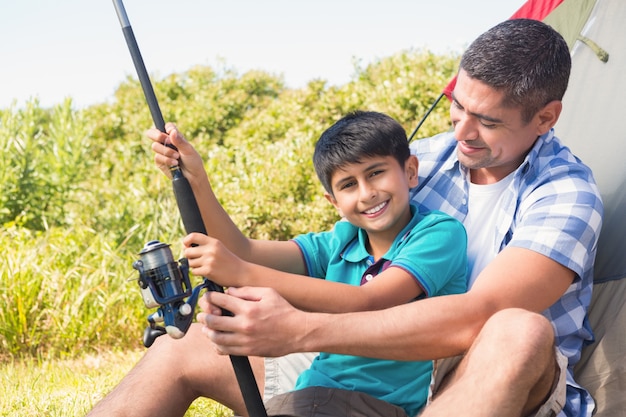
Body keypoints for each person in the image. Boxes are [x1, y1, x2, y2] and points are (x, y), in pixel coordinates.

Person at [88, 18, 603, 417]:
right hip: (374, 370)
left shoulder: (566, 195)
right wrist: (197, 179)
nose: (462, 131)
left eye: (487, 121)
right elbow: (252, 255)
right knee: (193, 344)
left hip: (481, 375)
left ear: (545, 117)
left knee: (518, 329)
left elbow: (475, 318)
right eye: (457, 105)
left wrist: (300, 330)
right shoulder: (417, 161)